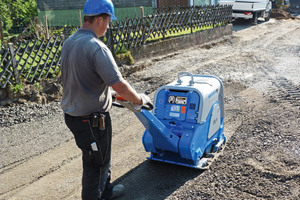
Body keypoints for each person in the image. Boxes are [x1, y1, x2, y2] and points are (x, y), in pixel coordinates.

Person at [60, 0, 151, 199]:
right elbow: (119, 84)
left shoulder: (69, 42)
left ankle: (107, 192)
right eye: (108, 22)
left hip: (74, 115)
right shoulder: (96, 47)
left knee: (100, 158)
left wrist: (105, 94)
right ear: (100, 19)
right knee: (97, 165)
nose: (108, 27)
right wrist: (138, 100)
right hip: (91, 120)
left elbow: (76, 78)